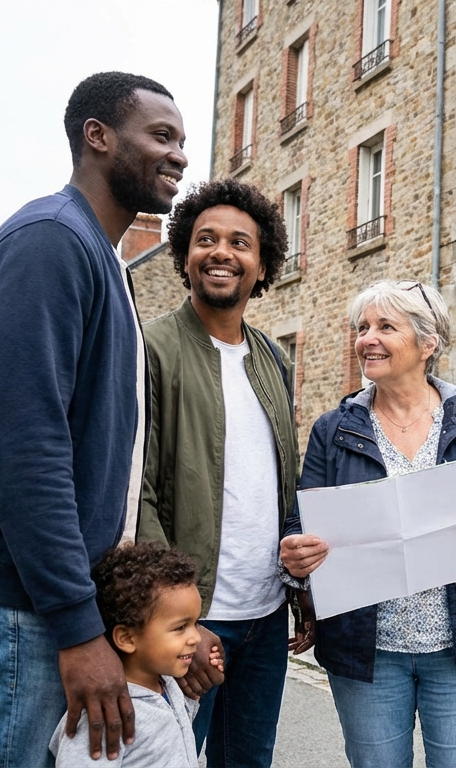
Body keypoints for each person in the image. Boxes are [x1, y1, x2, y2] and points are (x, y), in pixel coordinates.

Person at [0, 71, 187, 767]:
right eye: (161, 136)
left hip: (53, 601)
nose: (180, 156)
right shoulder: (50, 242)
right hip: (27, 608)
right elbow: (25, 448)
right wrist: (78, 630)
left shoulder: (100, 258)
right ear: (98, 137)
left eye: (183, 140)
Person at [280, 280, 456, 768]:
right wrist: (294, 554)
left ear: (427, 344)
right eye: (362, 328)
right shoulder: (334, 429)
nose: (367, 338)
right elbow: (299, 526)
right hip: (366, 651)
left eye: (385, 327)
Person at [138, 178, 317, 766]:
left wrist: (300, 589)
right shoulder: (152, 348)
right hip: (192, 619)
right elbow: (135, 488)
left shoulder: (273, 358)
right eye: (205, 239)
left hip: (265, 616)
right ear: (184, 255)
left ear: (261, 262)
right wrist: (176, 616)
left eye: (240, 242)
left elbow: (283, 482)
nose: (222, 252)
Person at [51, 542, 222, 767]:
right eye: (180, 628)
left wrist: (193, 695)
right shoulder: (106, 715)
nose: (196, 638)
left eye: (195, 623)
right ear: (127, 638)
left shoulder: (168, 684)